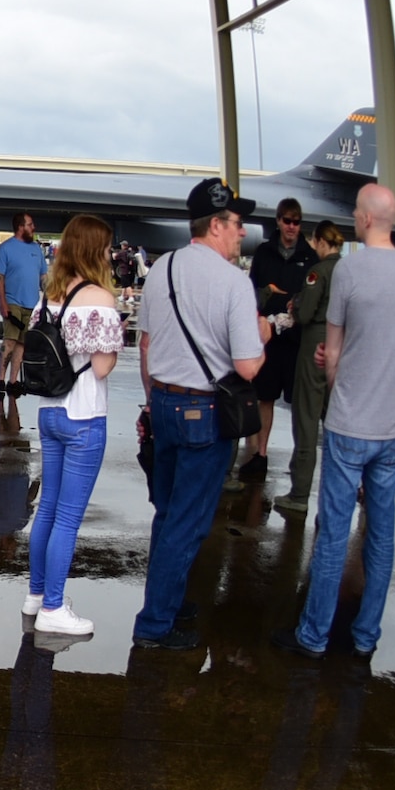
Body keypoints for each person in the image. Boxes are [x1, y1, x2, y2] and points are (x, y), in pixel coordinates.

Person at [273, 185, 395, 659]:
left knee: (334, 533)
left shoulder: (350, 269)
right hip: (390, 430)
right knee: (380, 534)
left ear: (363, 219)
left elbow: (332, 355)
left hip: (349, 423)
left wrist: (334, 369)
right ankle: (365, 636)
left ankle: (314, 635)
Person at [131, 178, 265, 650]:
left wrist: (152, 400)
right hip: (205, 411)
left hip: (164, 404)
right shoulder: (234, 282)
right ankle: (154, 625)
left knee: (168, 515)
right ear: (215, 225)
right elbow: (248, 365)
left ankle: (167, 601)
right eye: (236, 223)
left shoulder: (163, 269)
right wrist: (263, 335)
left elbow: (146, 345)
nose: (242, 231)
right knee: (186, 522)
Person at [22, 213, 124, 637]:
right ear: (94, 249)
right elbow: (101, 366)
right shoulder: (99, 297)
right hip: (84, 416)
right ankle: (53, 607)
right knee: (68, 517)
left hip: (49, 411)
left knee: (46, 509)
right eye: (106, 246)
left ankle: (36, 593)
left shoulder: (50, 295)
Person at [237, 198, 320, 483]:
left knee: (300, 404)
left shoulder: (310, 258)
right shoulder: (264, 252)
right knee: (265, 397)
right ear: (278, 221)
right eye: (287, 221)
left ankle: (301, 459)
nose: (292, 227)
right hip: (268, 338)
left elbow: (312, 298)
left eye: (296, 222)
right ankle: (260, 454)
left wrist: (288, 301)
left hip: (298, 340)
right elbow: (252, 291)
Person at [275, 221, 344, 515]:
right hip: (342, 346)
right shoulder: (348, 270)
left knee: (306, 418)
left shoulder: (319, 271)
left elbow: (304, 314)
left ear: (319, 240)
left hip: (315, 341)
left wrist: (297, 303)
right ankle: (335, 492)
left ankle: (300, 493)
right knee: (336, 421)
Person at [0, 211, 46, 397]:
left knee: (23, 343)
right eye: (30, 225)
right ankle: (0, 377)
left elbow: (43, 277)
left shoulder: (37, 249)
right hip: (12, 301)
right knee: (10, 340)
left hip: (33, 304)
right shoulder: (5, 249)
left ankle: (13, 380)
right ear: (21, 227)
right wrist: (3, 303)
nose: (34, 228)